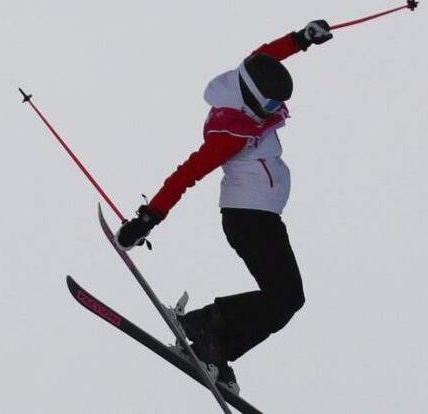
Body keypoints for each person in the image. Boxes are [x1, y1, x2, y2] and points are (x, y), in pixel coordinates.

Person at [114, 20, 334, 394]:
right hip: (250, 218)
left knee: (284, 301)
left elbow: (268, 55)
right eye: (269, 104)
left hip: (259, 217)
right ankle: (205, 324)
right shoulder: (230, 132)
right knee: (287, 297)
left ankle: (214, 351)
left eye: (277, 104)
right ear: (249, 97)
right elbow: (187, 174)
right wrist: (147, 219)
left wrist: (302, 38)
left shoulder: (249, 79)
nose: (274, 111)